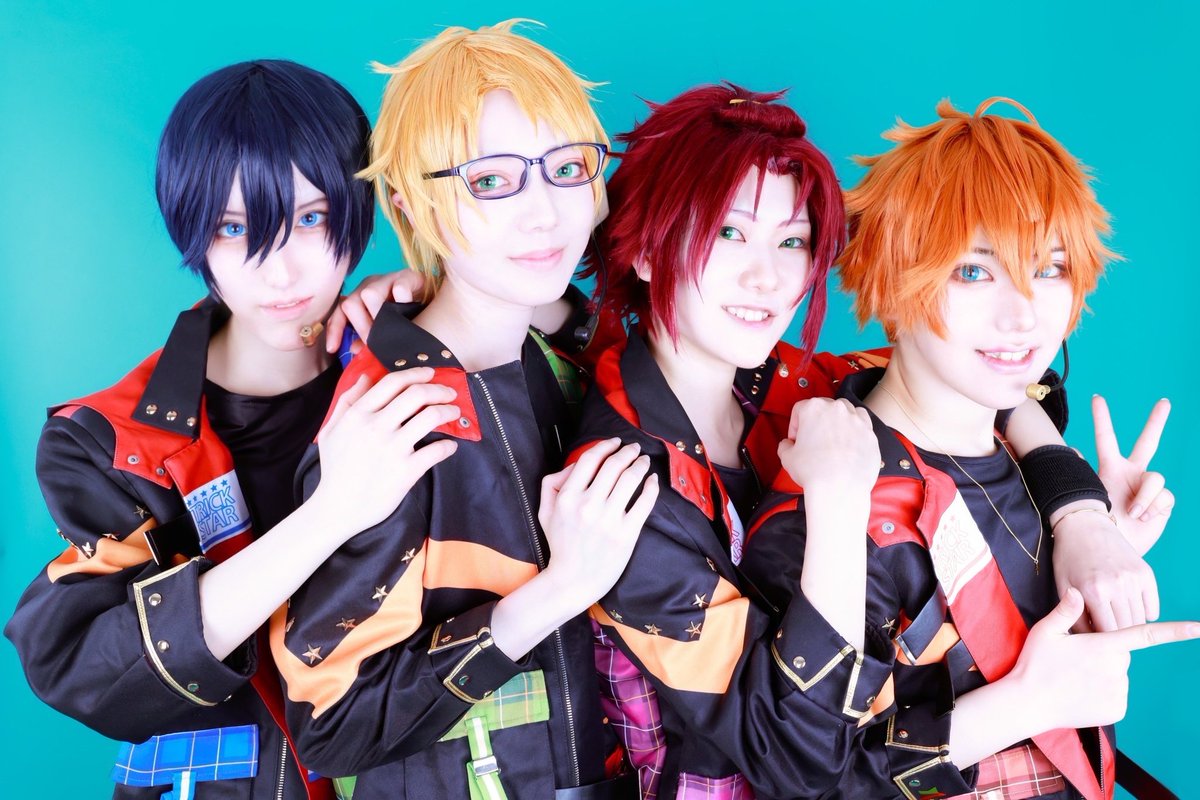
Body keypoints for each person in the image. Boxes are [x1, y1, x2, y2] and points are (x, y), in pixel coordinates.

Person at [570, 85, 1176, 799]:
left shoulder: (788, 382)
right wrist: (836, 500)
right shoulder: (625, 486)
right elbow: (798, 763)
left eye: (792, 240)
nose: (767, 276)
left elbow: (995, 382)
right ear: (645, 247)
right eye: (727, 232)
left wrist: (1083, 515)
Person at [5, 60, 460, 799]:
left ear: (361, 209)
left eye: (311, 219)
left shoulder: (413, 372)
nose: (280, 272)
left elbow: (576, 362)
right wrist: (333, 513)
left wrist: (452, 306)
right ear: (190, 227)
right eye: (234, 227)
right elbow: (86, 673)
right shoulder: (107, 441)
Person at [741, 97, 1194, 799]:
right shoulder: (837, 500)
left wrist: (1096, 528)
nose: (1024, 315)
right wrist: (1025, 703)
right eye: (975, 272)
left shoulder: (1031, 462)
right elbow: (808, 780)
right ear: (893, 281)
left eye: (1050, 268)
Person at [272, 21, 654, 800]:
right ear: (412, 204)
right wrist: (556, 593)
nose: (544, 213)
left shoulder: (570, 361)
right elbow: (331, 722)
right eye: (490, 181)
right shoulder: (393, 416)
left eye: (566, 168)